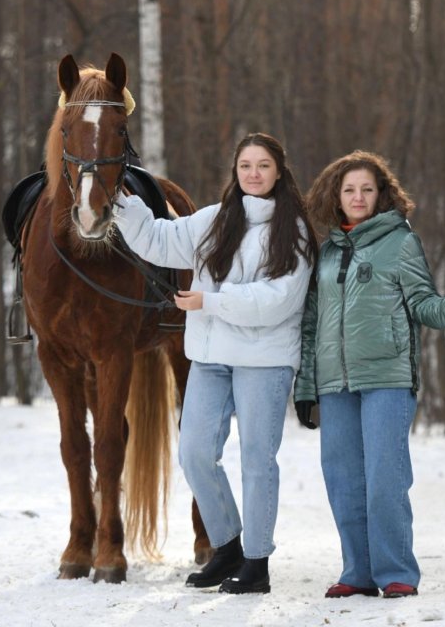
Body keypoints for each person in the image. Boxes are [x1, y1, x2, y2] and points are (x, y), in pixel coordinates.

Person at [114, 133, 318, 594]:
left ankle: (256, 561)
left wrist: (211, 300)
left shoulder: (295, 231)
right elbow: (158, 239)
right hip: (211, 359)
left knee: (256, 460)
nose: (253, 173)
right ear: (236, 170)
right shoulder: (215, 220)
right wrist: (121, 202)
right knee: (194, 453)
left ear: (279, 172)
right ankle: (226, 544)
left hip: (263, 361)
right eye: (245, 165)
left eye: (262, 165)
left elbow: (279, 301)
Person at [293, 150, 445, 599]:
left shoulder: (400, 241)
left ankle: (396, 572)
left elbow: (422, 303)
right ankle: (356, 571)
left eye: (366, 190)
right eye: (349, 190)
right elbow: (312, 323)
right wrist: (306, 387)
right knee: (343, 480)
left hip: (388, 379)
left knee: (384, 478)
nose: (358, 197)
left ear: (382, 196)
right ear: (337, 197)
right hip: (335, 382)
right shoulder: (329, 249)